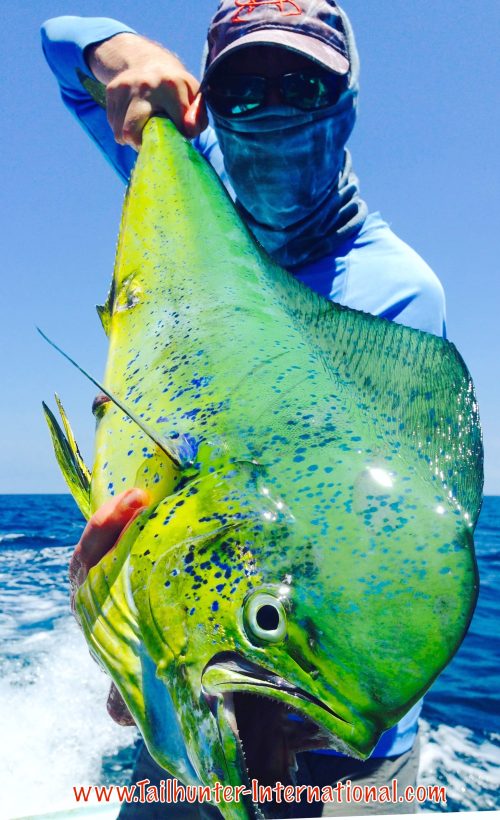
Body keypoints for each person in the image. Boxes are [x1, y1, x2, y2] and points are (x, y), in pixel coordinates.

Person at [41, 2, 446, 817]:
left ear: (346, 108)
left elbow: (374, 543)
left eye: (301, 85)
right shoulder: (190, 196)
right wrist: (123, 54)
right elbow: (57, 46)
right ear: (210, 107)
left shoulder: (398, 293)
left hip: (347, 751)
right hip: (184, 696)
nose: (272, 111)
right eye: (244, 92)